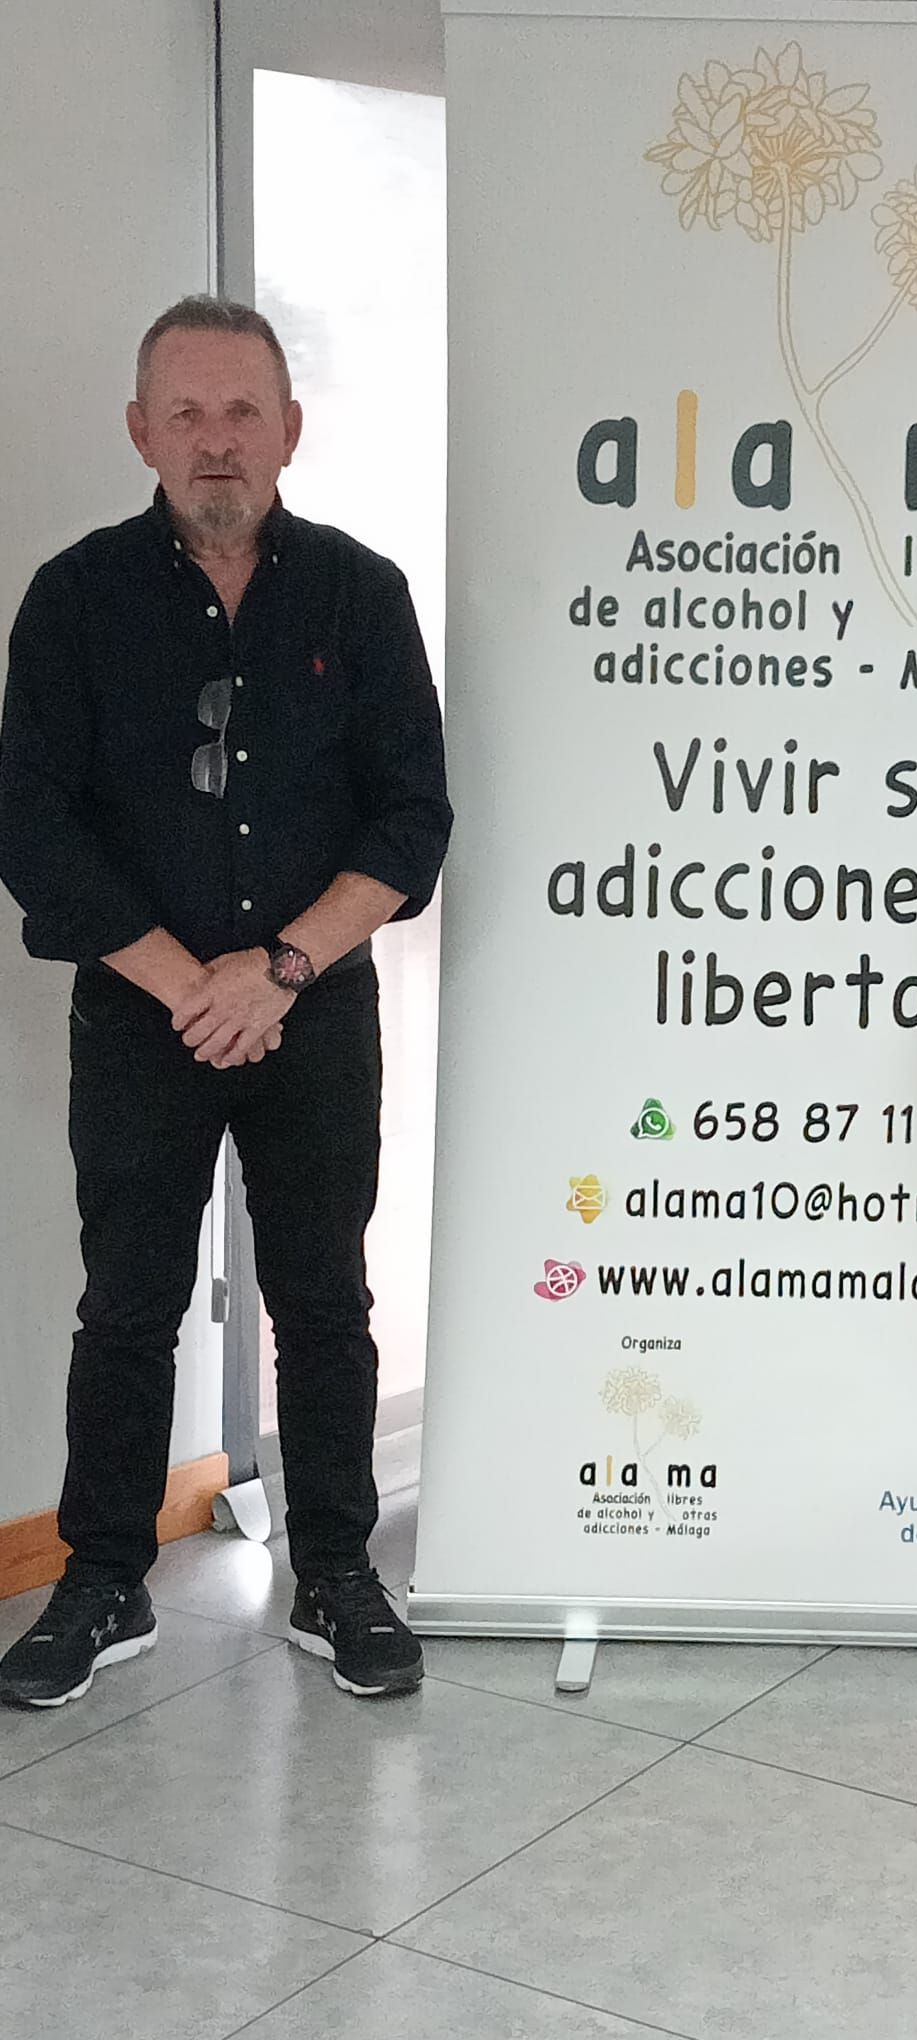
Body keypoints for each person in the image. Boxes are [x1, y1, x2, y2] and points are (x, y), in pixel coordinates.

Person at [0, 296, 452, 1707]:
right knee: (129, 1305)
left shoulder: (361, 595)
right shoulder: (74, 600)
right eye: (187, 412)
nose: (217, 440)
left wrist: (280, 970)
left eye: (243, 411)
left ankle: (336, 1571)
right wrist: (191, 984)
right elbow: (33, 830)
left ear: (290, 430)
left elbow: (413, 820)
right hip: (143, 1015)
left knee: (324, 1300)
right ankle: (102, 1580)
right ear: (141, 430)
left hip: (313, 1013)